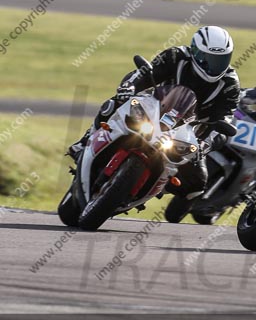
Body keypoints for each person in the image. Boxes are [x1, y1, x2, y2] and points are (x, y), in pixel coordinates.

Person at [68, 26, 239, 201]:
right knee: (113, 104)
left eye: (221, 60)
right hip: (154, 107)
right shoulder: (176, 55)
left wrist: (205, 144)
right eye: (208, 59)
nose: (214, 66)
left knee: (196, 185)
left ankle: (155, 186)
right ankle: (85, 141)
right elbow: (145, 73)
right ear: (195, 52)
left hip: (188, 130)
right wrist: (129, 87)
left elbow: (226, 118)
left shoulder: (230, 84)